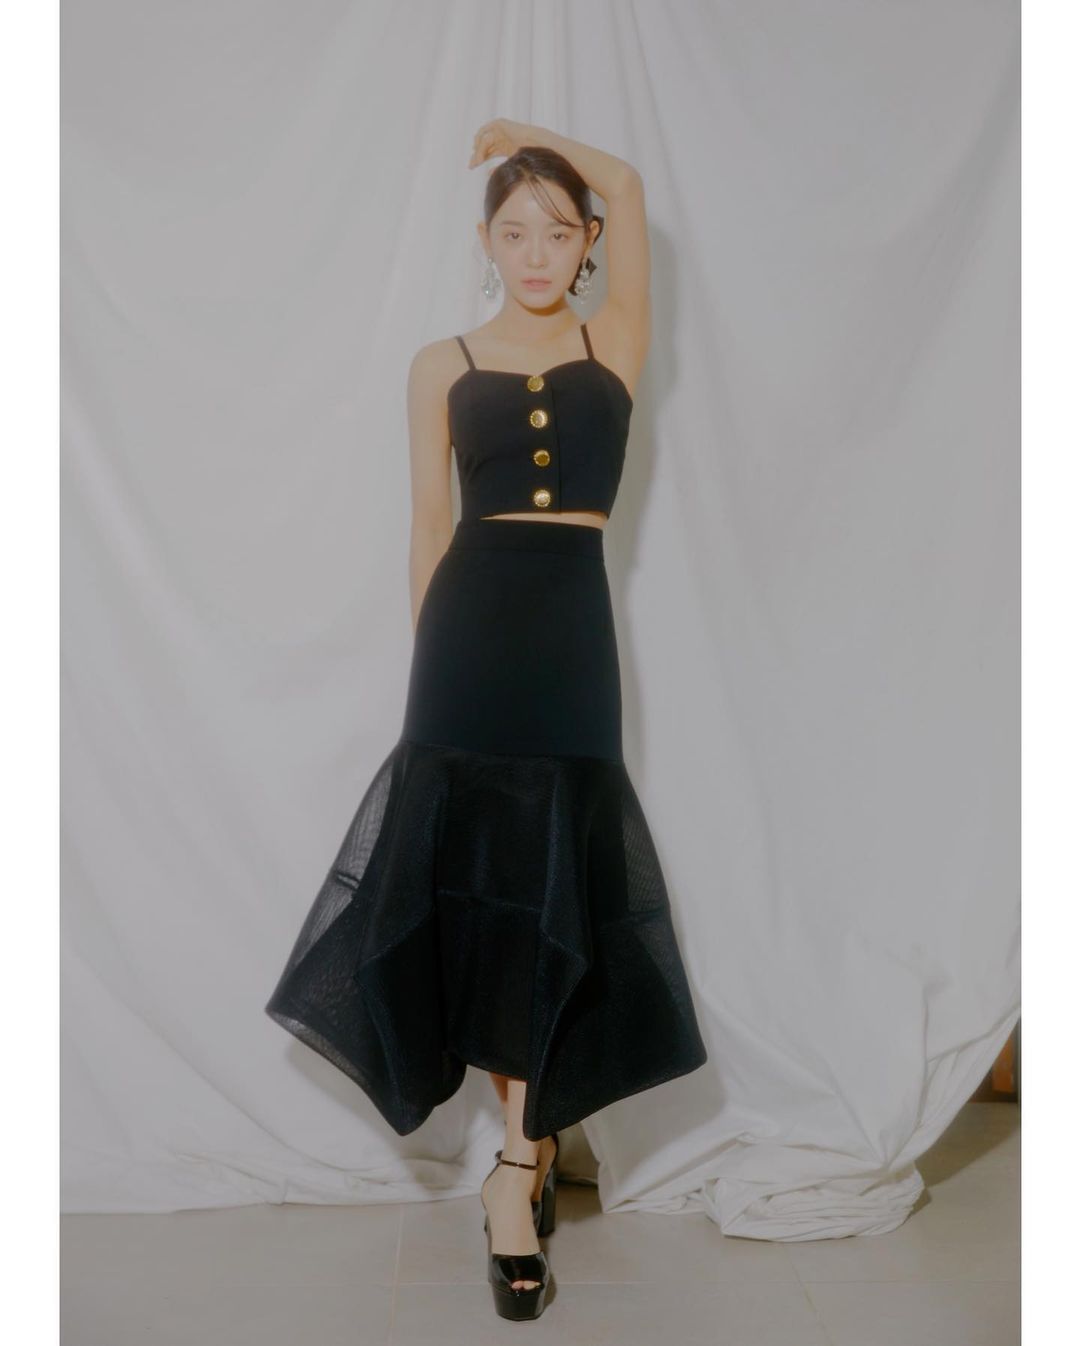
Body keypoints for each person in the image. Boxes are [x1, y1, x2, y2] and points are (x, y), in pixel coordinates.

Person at [265, 119, 707, 1322]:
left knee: (554, 879)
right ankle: (519, 1166)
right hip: (466, 643)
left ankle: (524, 1155)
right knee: (481, 886)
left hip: (571, 639)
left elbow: (628, 182)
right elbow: (426, 527)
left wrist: (534, 140)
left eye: (557, 232)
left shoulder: (614, 338)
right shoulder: (441, 364)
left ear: (586, 243)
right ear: (485, 243)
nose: (536, 252)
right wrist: (432, 667)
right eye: (515, 232)